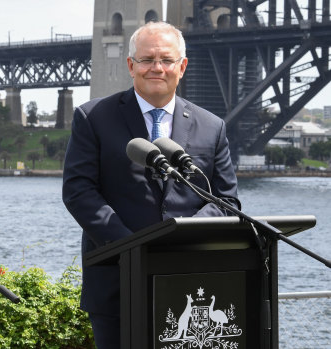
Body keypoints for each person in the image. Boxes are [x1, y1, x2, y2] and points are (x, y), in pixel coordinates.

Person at [62, 21, 239, 348]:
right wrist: (132, 247)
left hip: (190, 281)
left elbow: (226, 199)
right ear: (131, 65)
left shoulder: (212, 127)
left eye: (166, 60)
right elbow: (78, 191)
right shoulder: (93, 117)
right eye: (146, 60)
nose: (156, 67)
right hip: (116, 280)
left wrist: (182, 237)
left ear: (181, 67)